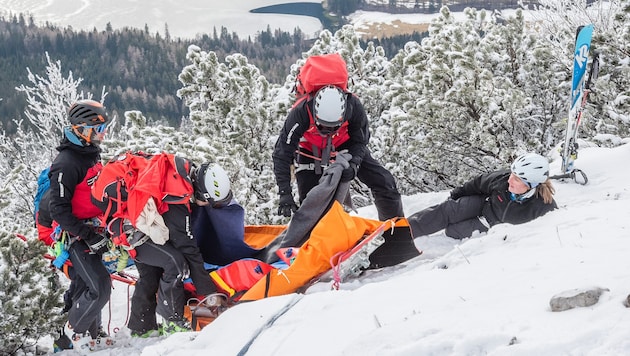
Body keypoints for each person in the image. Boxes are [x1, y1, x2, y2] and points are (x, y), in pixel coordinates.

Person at [91, 153, 227, 336]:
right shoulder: (176, 198)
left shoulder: (183, 172)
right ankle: (173, 320)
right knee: (176, 264)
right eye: (208, 202)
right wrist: (209, 292)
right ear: (202, 192)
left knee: (150, 274)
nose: (206, 206)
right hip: (131, 231)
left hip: (133, 221)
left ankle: (141, 327)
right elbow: (187, 248)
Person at [273, 84, 404, 221]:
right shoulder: (301, 112)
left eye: (333, 127)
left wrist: (354, 164)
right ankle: (317, 237)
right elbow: (282, 153)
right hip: (309, 148)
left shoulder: (353, 106)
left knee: (384, 182)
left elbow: (360, 141)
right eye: (322, 126)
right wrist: (285, 193)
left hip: (345, 144)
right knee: (311, 203)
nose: (328, 131)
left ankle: (396, 235)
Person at [47, 99, 114, 352]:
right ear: (81, 129)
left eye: (104, 128)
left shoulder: (90, 152)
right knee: (100, 286)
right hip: (75, 233)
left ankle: (90, 331)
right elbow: (59, 210)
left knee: (86, 283)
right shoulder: (66, 163)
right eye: (97, 129)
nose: (102, 134)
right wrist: (86, 234)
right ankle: (73, 332)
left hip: (95, 228)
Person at [407, 153, 558, 239]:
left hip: (492, 225)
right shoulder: (502, 179)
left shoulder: (543, 208)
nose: (510, 180)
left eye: (517, 179)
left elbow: (541, 236)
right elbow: (477, 183)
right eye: (512, 174)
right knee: (449, 209)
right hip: (485, 203)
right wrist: (456, 196)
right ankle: (403, 231)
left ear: (531, 185)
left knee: (453, 231)